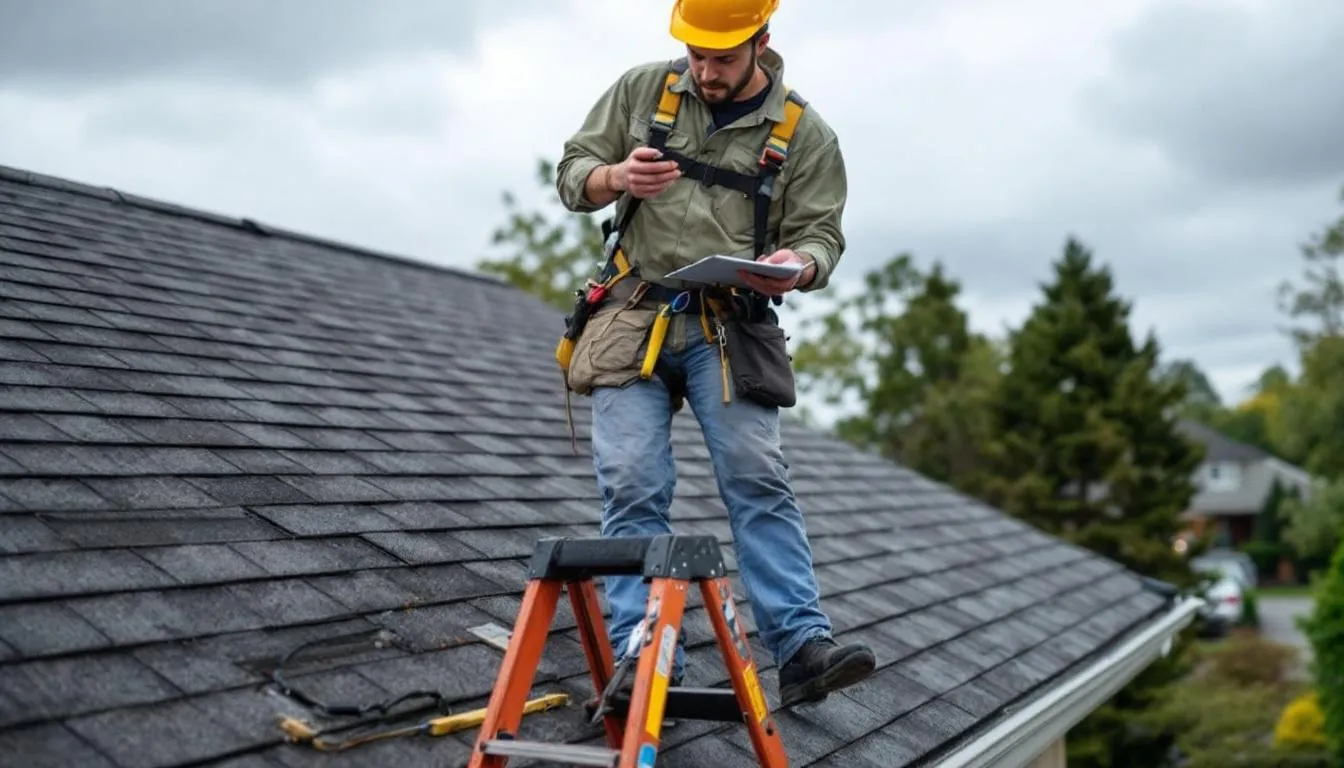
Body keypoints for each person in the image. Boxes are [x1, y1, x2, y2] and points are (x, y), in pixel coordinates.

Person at [553, 0, 875, 709]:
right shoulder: (644, 90)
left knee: (756, 475)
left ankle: (800, 648)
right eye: (697, 55)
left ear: (761, 41)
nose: (706, 71)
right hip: (633, 313)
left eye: (723, 59)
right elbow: (573, 171)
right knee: (633, 478)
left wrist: (802, 263)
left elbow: (823, 235)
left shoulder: (806, 134)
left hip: (729, 326)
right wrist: (615, 179)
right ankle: (639, 656)